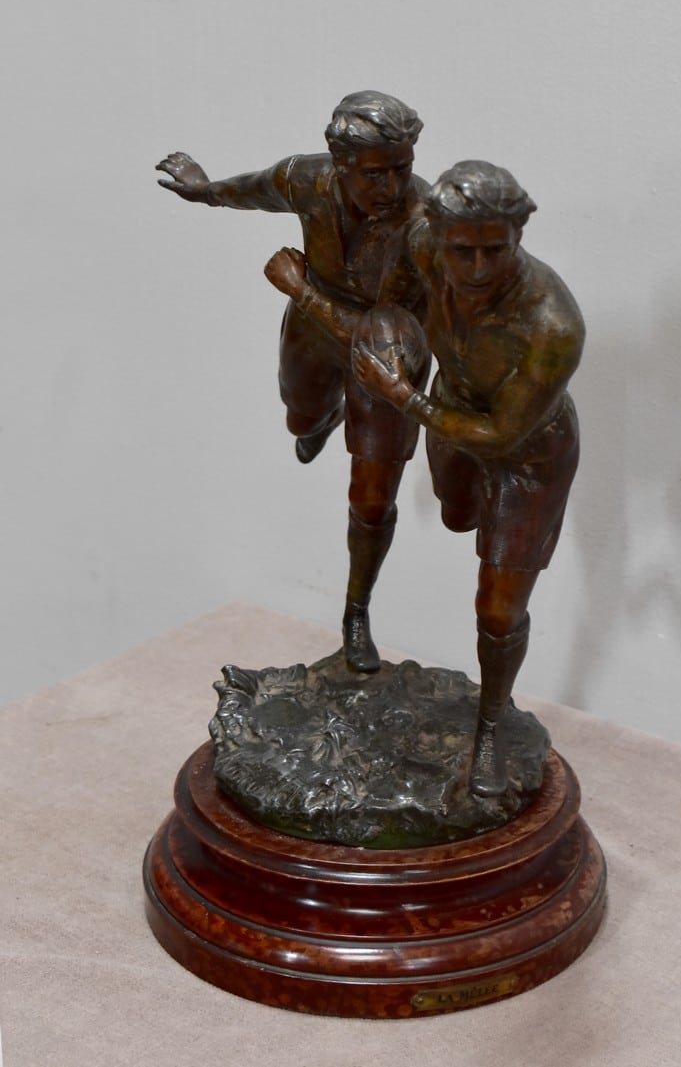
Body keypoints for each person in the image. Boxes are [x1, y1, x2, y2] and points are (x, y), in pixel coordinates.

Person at [156, 91, 429, 673]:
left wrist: (299, 288)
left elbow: (377, 332)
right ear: (340, 162)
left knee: (372, 500)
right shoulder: (307, 179)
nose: (392, 186)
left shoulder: (421, 222)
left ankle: (356, 613)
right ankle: (325, 417)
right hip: (313, 328)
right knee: (299, 417)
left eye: (402, 168)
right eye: (375, 173)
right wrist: (204, 190)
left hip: (386, 356)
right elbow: (255, 188)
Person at [352, 160, 585, 797]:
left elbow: (502, 435)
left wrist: (403, 396)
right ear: (437, 234)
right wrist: (390, 350)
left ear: (519, 235)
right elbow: (391, 306)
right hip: (451, 414)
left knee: (499, 608)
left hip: (528, 456)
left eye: (495, 251)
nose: (478, 269)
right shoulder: (422, 243)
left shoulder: (552, 326)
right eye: (463, 251)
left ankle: (490, 728)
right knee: (455, 515)